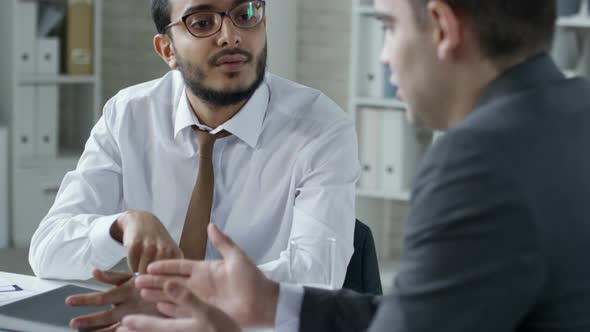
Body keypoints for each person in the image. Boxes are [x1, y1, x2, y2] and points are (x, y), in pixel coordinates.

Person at [118, 0, 590, 331]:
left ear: (442, 28)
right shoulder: (574, 114)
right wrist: (271, 301)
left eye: (388, 27)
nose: (383, 58)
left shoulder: (475, 163)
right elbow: (427, 314)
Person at [29, 0, 360, 330]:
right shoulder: (128, 115)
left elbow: (319, 273)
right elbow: (47, 251)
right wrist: (120, 225)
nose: (231, 36)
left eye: (245, 14)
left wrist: (180, 293)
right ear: (167, 50)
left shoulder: (321, 128)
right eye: (202, 23)